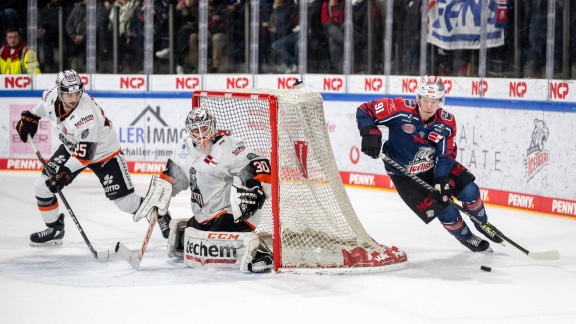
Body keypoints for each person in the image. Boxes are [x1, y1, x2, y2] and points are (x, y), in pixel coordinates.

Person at [15, 69, 171, 247]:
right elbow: (44, 107)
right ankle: (55, 229)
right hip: (71, 146)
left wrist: (64, 174)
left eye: (77, 93)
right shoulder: (51, 95)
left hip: (104, 154)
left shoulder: (87, 116)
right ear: (59, 92)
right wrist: (32, 117)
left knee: (125, 203)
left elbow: (85, 155)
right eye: (69, 94)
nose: (74, 98)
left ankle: (161, 213)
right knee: (42, 186)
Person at [356, 75, 503, 252]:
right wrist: (370, 133)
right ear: (418, 98)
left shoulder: (446, 123)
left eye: (434, 101)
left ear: (441, 101)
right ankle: (466, 237)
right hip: (405, 175)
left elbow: (445, 154)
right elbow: (365, 110)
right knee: (445, 210)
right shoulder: (398, 109)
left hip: (434, 167)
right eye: (425, 100)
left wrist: (441, 180)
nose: (428, 106)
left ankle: (482, 223)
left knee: (471, 190)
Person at [132, 107, 273, 273]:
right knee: (194, 235)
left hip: (229, 214)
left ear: (212, 127)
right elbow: (171, 178)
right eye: (195, 130)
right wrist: (159, 201)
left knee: (212, 236)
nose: (200, 134)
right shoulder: (183, 150)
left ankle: (261, 250)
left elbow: (258, 163)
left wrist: (256, 187)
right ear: (188, 131)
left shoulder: (226, 147)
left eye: (204, 128)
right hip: (203, 216)